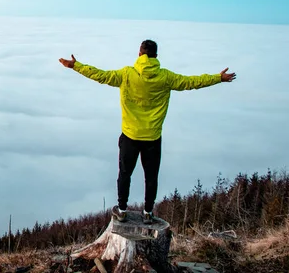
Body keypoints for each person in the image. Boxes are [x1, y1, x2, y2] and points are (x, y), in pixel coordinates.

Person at [59, 39, 236, 224]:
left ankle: (122, 210)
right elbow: (191, 82)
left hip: (130, 136)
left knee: (124, 174)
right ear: (156, 56)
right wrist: (217, 78)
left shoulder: (127, 74)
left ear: (139, 53)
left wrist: (76, 66)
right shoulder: (166, 77)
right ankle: (148, 212)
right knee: (151, 177)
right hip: (152, 138)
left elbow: (100, 75)